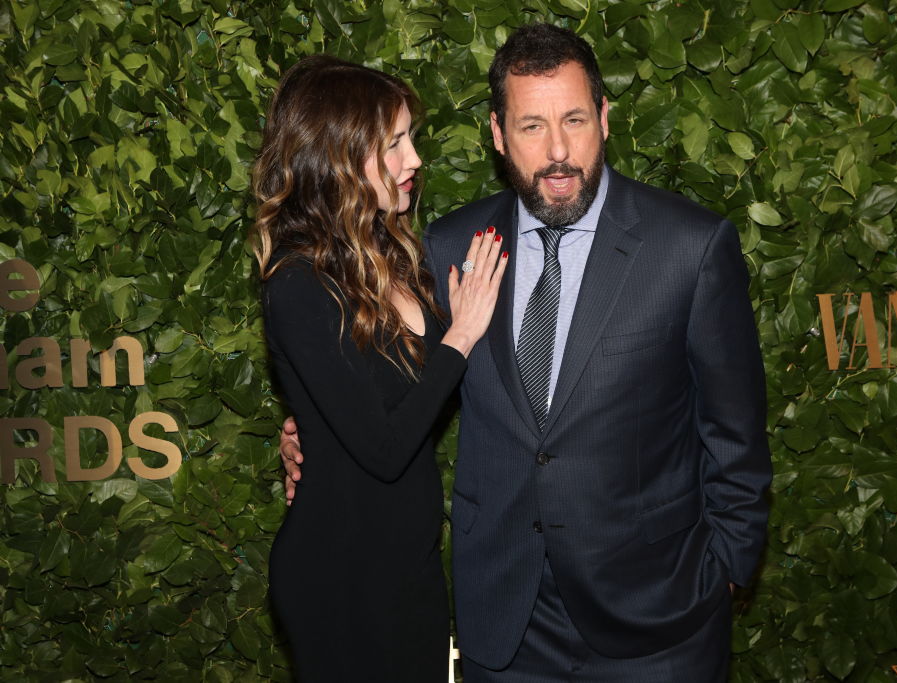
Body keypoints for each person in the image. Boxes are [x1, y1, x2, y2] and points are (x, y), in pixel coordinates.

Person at [281, 24, 771, 681]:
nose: (559, 149)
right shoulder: (451, 246)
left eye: (574, 118)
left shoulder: (690, 246)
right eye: (532, 125)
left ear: (604, 117)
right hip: (505, 628)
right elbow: (380, 382)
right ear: (497, 134)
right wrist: (308, 436)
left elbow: (735, 435)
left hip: (658, 627)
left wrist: (728, 571)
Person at [253, 54, 507, 681]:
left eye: (409, 138)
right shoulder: (298, 283)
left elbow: (384, 393)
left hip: (408, 563)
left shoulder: (393, 251)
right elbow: (386, 446)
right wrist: (463, 333)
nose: (414, 158)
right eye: (394, 143)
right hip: (341, 575)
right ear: (339, 156)